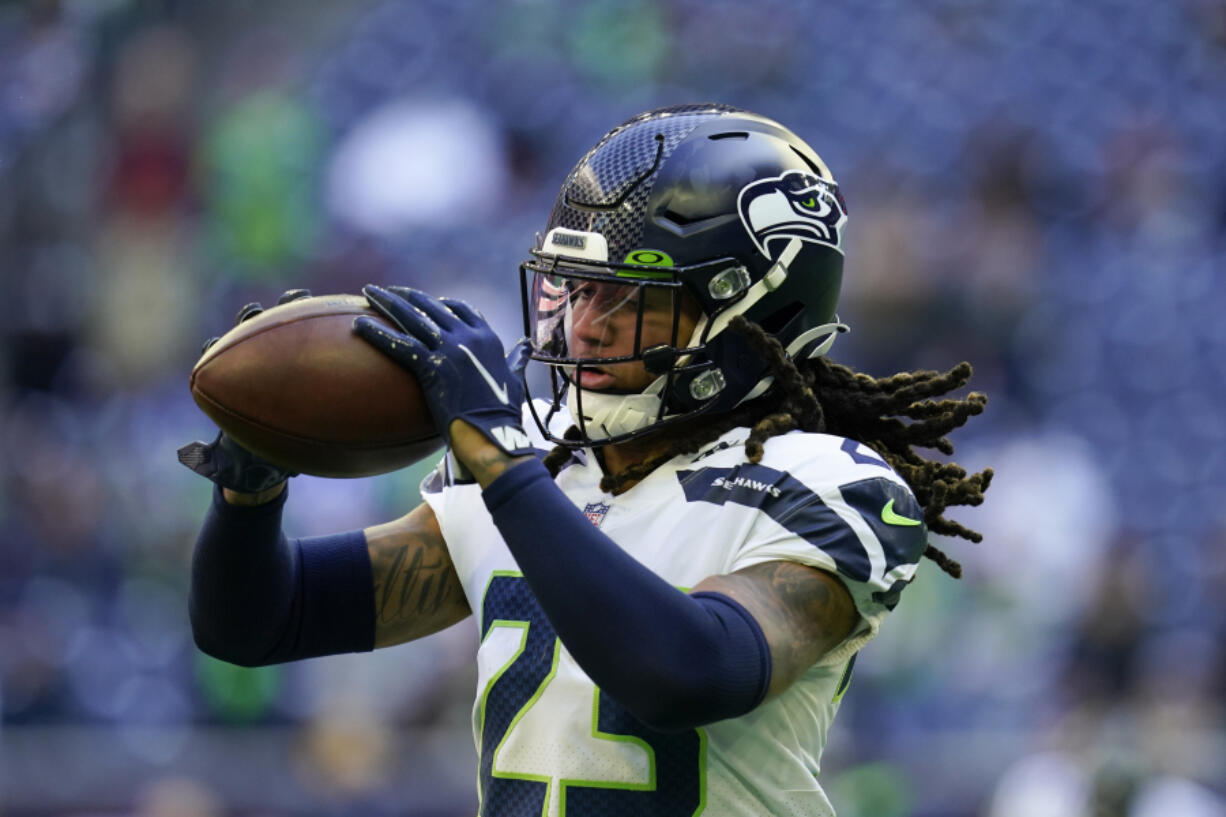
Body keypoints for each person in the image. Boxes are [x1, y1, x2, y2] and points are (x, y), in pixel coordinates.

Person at [180, 103, 992, 817]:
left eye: (634, 295)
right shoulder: (534, 465)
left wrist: (503, 466)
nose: (586, 324)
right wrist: (252, 488)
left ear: (754, 311)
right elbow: (258, 621)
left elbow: (685, 671)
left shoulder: (830, 483)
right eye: (575, 287)